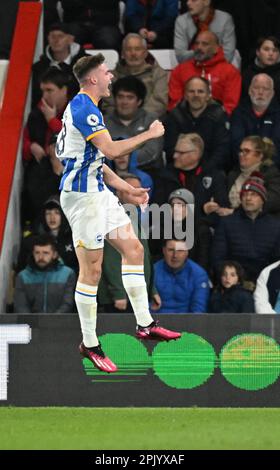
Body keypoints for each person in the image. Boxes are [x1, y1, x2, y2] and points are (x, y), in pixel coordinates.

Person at [55, 54, 181, 373]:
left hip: (97, 191)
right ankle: (90, 343)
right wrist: (150, 134)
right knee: (92, 270)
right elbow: (112, 151)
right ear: (93, 78)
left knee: (134, 249)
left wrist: (127, 189)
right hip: (82, 198)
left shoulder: (88, 109)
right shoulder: (84, 108)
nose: (111, 75)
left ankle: (144, 324)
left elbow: (97, 161)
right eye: (106, 71)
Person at [22, 68, 71, 222]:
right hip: (42, 167)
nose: (45, 96)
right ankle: (37, 225)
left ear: (64, 90)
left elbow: (75, 138)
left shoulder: (77, 110)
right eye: (43, 91)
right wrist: (30, 146)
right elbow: (25, 140)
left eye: (50, 90)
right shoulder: (36, 113)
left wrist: (51, 120)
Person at [211, 175, 280, 284]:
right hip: (234, 283)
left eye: (254, 194)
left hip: (266, 283)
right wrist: (237, 281)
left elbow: (277, 261)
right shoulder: (227, 223)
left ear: (263, 200)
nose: (248, 198)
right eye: (245, 195)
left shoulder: (276, 225)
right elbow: (218, 258)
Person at [164, 76, 231, 170]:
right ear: (185, 95)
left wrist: (203, 170)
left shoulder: (219, 117)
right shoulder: (174, 116)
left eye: (200, 91)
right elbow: (170, 148)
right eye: (191, 91)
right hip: (179, 168)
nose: (196, 95)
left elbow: (222, 150)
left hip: (209, 170)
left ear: (208, 96)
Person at [204, 136, 280, 218]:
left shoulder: (271, 174)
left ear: (260, 155)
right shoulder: (233, 174)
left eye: (246, 151)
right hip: (231, 222)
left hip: (259, 222)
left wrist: (235, 212)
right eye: (240, 151)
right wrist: (214, 207)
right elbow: (224, 203)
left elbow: (270, 203)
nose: (241, 154)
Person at [168, 30, 241, 114]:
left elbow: (230, 105)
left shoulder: (230, 72)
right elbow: (174, 102)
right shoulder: (180, 70)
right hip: (185, 120)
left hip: (217, 120)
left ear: (216, 48)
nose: (199, 47)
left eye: (205, 44)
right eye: (196, 43)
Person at [104, 75, 164, 171]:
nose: (124, 102)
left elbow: (152, 153)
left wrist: (120, 155)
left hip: (148, 172)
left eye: (130, 97)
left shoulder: (151, 121)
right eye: (120, 97)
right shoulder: (104, 122)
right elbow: (101, 152)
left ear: (139, 101)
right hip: (112, 175)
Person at [102, 33, 168, 117]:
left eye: (137, 49)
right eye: (128, 49)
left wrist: (137, 121)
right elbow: (108, 106)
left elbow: (159, 103)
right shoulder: (110, 77)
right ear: (122, 54)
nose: (133, 53)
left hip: (150, 123)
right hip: (118, 125)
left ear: (145, 53)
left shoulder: (159, 74)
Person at [14, 235, 76, 313]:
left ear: (54, 254)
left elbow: (67, 304)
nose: (41, 257)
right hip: (30, 324)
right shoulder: (23, 276)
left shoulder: (68, 274)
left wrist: (52, 322)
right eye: (37, 253)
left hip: (60, 323)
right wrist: (32, 323)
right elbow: (21, 306)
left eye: (45, 253)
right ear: (33, 253)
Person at [231, 74, 280, 168]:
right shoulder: (238, 113)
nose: (260, 92)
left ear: (272, 93)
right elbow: (236, 144)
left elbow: (277, 146)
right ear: (249, 90)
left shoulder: (278, 114)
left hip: (273, 169)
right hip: (243, 167)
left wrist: (263, 167)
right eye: (256, 88)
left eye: (265, 89)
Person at [32, 22, 85, 107]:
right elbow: (36, 97)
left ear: (70, 39)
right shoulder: (39, 67)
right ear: (48, 39)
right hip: (44, 112)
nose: (56, 40)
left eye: (60, 36)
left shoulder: (86, 65)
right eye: (53, 36)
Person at [152, 238, 210, 314]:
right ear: (164, 251)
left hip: (189, 323)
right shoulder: (152, 272)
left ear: (187, 252)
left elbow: (198, 310)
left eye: (180, 250)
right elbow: (146, 307)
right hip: (157, 322)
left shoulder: (199, 274)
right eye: (171, 250)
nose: (175, 255)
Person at [242, 36, 280, 103]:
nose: (271, 53)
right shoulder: (247, 73)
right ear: (258, 52)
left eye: (275, 50)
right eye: (266, 49)